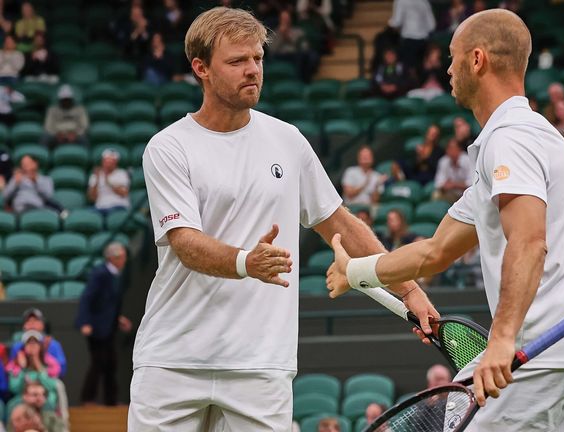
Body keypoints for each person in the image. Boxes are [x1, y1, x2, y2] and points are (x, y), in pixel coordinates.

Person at [128, 8, 437, 430]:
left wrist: (411, 291)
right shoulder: (168, 148)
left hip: (261, 364)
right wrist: (245, 263)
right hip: (173, 360)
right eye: (237, 61)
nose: (252, 70)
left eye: (257, 58)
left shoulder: (287, 140)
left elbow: (340, 225)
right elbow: (184, 241)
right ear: (201, 68)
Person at [327, 9, 564, 431]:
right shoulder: (523, 139)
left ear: (478, 60)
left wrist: (502, 339)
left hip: (544, 344)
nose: (448, 69)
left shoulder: (511, 140)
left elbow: (528, 241)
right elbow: (435, 252)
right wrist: (355, 271)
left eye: (453, 57)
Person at [76, 242, 132, 406]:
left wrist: (118, 319)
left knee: (111, 363)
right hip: (96, 328)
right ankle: (87, 399)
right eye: (121, 257)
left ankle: (111, 401)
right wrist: (85, 322)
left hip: (109, 327)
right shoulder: (100, 274)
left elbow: (108, 303)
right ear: (112, 258)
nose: (124, 260)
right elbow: (87, 298)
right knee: (98, 362)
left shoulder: (115, 275)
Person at [7, 330, 61, 409]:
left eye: (35, 343)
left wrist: (39, 366)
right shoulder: (16, 364)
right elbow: (15, 389)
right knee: (12, 405)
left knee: (49, 402)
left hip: (45, 397)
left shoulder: (50, 363)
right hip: (23, 398)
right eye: (29, 343)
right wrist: (23, 368)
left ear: (40, 346)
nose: (32, 346)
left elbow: (51, 387)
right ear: (24, 347)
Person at [9, 308, 67, 377]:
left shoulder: (53, 345)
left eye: (36, 320)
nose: (32, 324)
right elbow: (11, 370)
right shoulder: (17, 347)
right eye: (28, 321)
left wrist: (43, 368)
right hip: (25, 382)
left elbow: (62, 370)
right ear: (24, 326)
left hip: (48, 381)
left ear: (42, 324)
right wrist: (21, 367)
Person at [88, 149, 131, 215]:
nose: (108, 164)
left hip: (118, 206)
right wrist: (97, 180)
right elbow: (92, 198)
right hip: (100, 208)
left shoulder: (122, 174)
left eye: (111, 162)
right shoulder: (95, 175)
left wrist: (108, 182)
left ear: (115, 163)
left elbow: (124, 193)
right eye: (106, 161)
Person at [433, 138, 473, 203]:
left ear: (459, 149)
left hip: (467, 194)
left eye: (453, 148)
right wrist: (445, 185)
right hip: (451, 193)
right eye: (448, 149)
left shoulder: (467, 160)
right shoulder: (443, 161)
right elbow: (438, 183)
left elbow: (472, 183)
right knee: (436, 194)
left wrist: (454, 184)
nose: (451, 151)